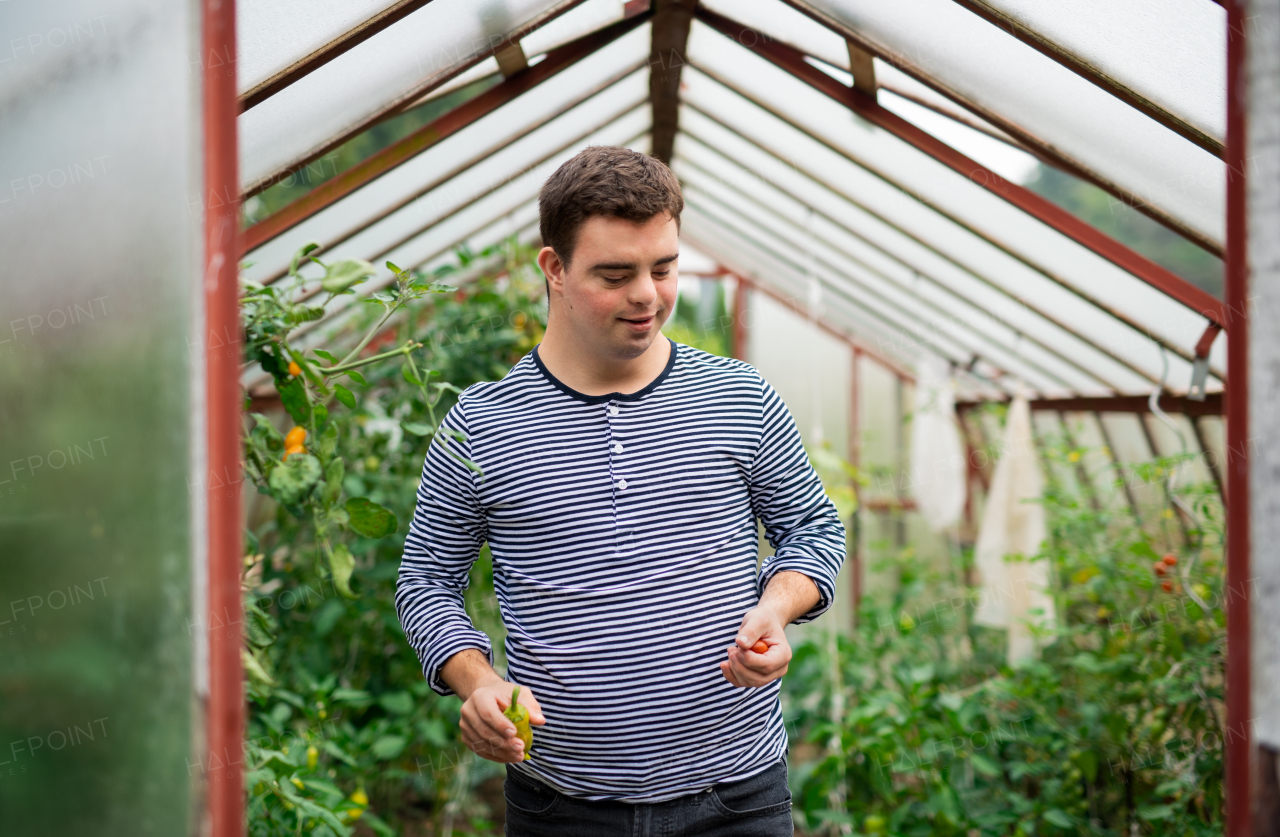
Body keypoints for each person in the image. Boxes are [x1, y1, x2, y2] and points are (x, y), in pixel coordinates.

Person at [395, 145, 846, 836]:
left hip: (737, 796)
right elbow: (426, 578)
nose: (647, 294)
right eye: (616, 273)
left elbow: (813, 528)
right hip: (561, 805)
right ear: (554, 269)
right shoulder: (482, 427)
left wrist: (776, 608)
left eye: (664, 268)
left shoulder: (739, 398)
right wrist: (479, 682)